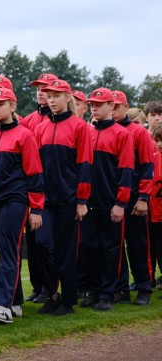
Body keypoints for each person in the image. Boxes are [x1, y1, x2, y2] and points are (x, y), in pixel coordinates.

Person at [0, 88, 44, 324]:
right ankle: (16, 299)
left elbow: (35, 173)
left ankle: (3, 305)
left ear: (12, 105)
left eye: (0, 103)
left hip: (15, 200)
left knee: (8, 249)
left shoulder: (24, 135)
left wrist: (36, 208)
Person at [34, 80, 92, 315]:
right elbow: (35, 167)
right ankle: (52, 294)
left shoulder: (79, 127)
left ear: (68, 97)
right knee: (41, 244)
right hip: (46, 201)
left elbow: (85, 164)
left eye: (56, 96)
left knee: (66, 250)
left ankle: (68, 300)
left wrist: (82, 201)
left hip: (69, 200)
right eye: (49, 96)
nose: (51, 100)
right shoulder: (40, 128)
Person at [79, 87, 134, 312]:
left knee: (110, 249)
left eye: (99, 105)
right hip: (89, 201)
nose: (94, 108)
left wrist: (121, 203)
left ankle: (107, 293)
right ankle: (93, 290)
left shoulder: (123, 134)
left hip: (111, 202)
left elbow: (126, 170)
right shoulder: (87, 132)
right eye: (92, 104)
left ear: (111, 106)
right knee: (88, 246)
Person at [112, 91, 154, 305]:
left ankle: (144, 287)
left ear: (125, 106)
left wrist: (143, 198)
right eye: (110, 106)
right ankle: (121, 289)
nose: (113, 110)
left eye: (117, 106)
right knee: (115, 246)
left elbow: (148, 166)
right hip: (114, 198)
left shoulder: (138, 132)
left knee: (138, 244)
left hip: (134, 197)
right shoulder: (106, 130)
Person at [21, 73, 59, 304]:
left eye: (45, 89)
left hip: (52, 191)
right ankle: (38, 286)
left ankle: (51, 287)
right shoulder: (29, 120)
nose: (40, 92)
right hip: (30, 189)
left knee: (47, 243)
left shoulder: (58, 120)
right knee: (33, 243)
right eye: (37, 89)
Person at [149, 122, 162, 291]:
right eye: (158, 140)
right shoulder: (153, 157)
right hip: (155, 213)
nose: (160, 143)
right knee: (156, 247)